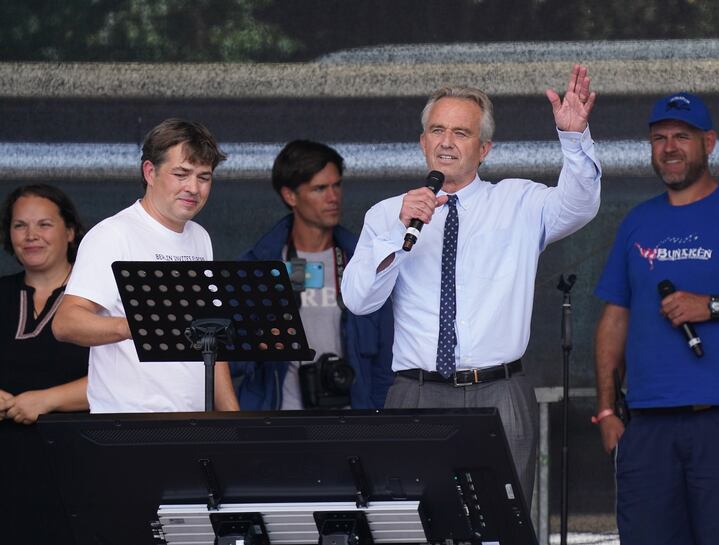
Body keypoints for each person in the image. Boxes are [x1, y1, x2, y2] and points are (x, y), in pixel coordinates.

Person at [341, 64, 601, 507]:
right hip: (415, 391)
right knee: (413, 526)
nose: (446, 142)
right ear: (422, 143)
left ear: (484, 149)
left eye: (461, 133)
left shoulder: (517, 201)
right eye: (437, 130)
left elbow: (580, 205)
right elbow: (359, 301)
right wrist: (397, 236)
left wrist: (574, 140)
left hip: (498, 392)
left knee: (501, 523)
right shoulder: (388, 213)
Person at [593, 92, 719, 545]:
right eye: (659, 138)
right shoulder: (637, 221)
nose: (669, 147)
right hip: (646, 426)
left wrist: (715, 305)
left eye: (682, 137)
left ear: (709, 142)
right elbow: (615, 315)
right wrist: (608, 409)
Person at [53, 118, 239, 413]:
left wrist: (233, 420)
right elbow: (66, 323)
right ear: (150, 172)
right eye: (181, 174)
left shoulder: (200, 237)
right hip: (131, 424)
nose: (193, 187)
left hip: (195, 423)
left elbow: (212, 338)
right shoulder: (113, 234)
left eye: (204, 177)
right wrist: (140, 326)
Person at [230, 140, 393, 410]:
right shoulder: (259, 266)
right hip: (278, 423)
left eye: (336, 185)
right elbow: (230, 360)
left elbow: (386, 360)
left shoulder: (363, 263)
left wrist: (373, 420)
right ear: (290, 196)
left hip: (350, 420)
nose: (333, 197)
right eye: (319, 188)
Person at [0, 183, 89, 545]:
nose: (31, 235)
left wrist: (46, 400)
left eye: (44, 225)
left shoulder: (97, 299)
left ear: (70, 231)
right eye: (20, 225)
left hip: (75, 469)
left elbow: (128, 376)